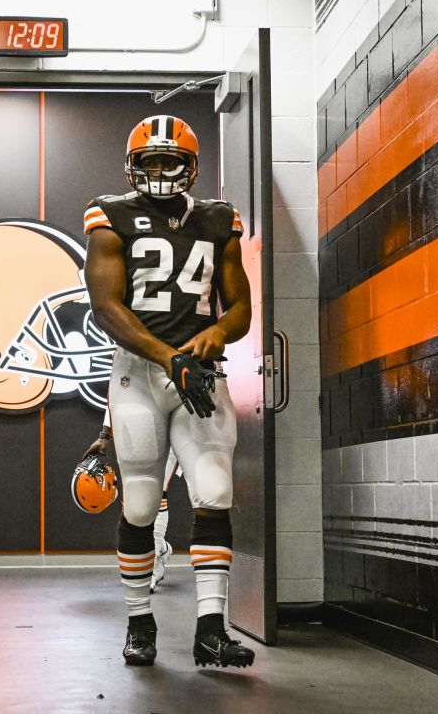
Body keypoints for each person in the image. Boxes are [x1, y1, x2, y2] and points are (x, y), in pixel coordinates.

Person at [82, 114, 254, 668]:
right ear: (134, 166)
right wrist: (169, 356)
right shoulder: (110, 216)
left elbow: (242, 308)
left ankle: (211, 628)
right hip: (140, 371)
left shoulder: (219, 221)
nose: (158, 171)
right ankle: (139, 622)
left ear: (190, 166)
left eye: (169, 161)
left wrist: (216, 334)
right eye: (149, 161)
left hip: (199, 375)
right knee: (137, 500)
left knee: (214, 490)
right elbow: (107, 307)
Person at [83, 411, 180, 592]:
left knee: (159, 491)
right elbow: (116, 388)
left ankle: (154, 558)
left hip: (172, 422)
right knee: (135, 495)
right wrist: (105, 435)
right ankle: (161, 550)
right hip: (137, 427)